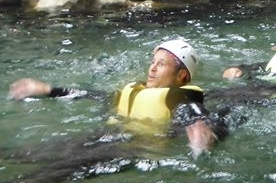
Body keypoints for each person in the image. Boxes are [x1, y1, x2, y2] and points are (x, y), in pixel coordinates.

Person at [8, 39, 227, 157]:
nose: (151, 69)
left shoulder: (177, 97)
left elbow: (193, 112)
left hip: (131, 150)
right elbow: (92, 95)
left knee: (38, 180)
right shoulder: (136, 90)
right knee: (24, 154)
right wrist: (47, 89)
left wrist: (200, 128)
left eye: (161, 64)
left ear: (181, 76)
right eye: (153, 62)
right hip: (107, 138)